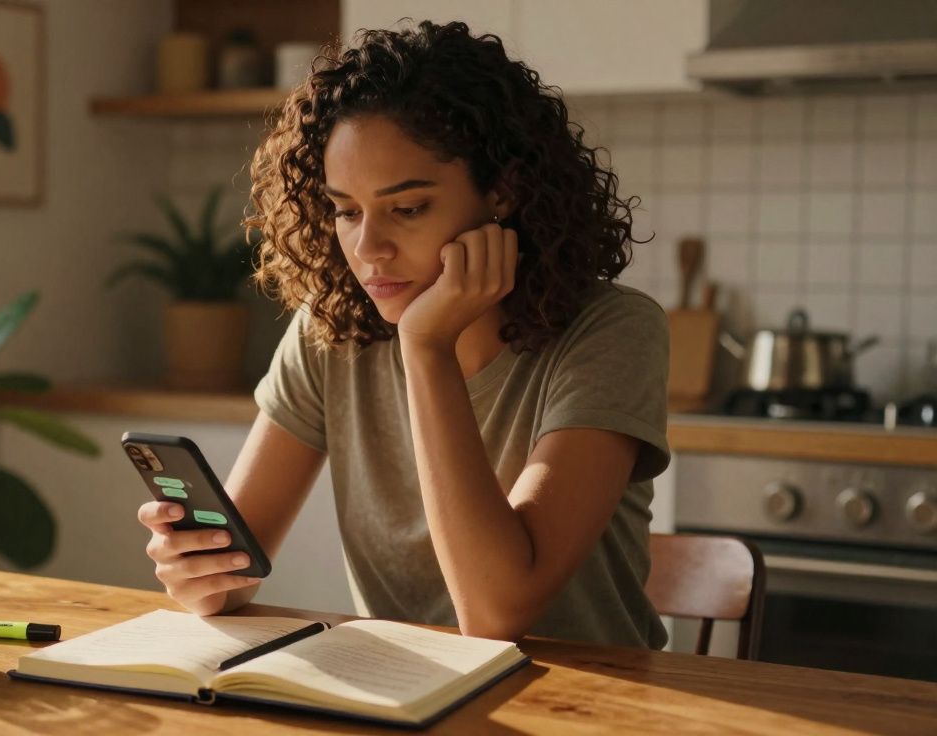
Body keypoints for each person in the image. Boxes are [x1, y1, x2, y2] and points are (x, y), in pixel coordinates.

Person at [137, 20, 669, 648]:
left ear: (504, 190)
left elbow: (497, 613)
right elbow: (230, 577)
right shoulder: (330, 328)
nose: (369, 250)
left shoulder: (612, 330)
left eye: (409, 209)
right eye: (346, 210)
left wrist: (426, 347)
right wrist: (199, 572)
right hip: (403, 694)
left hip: (588, 701)